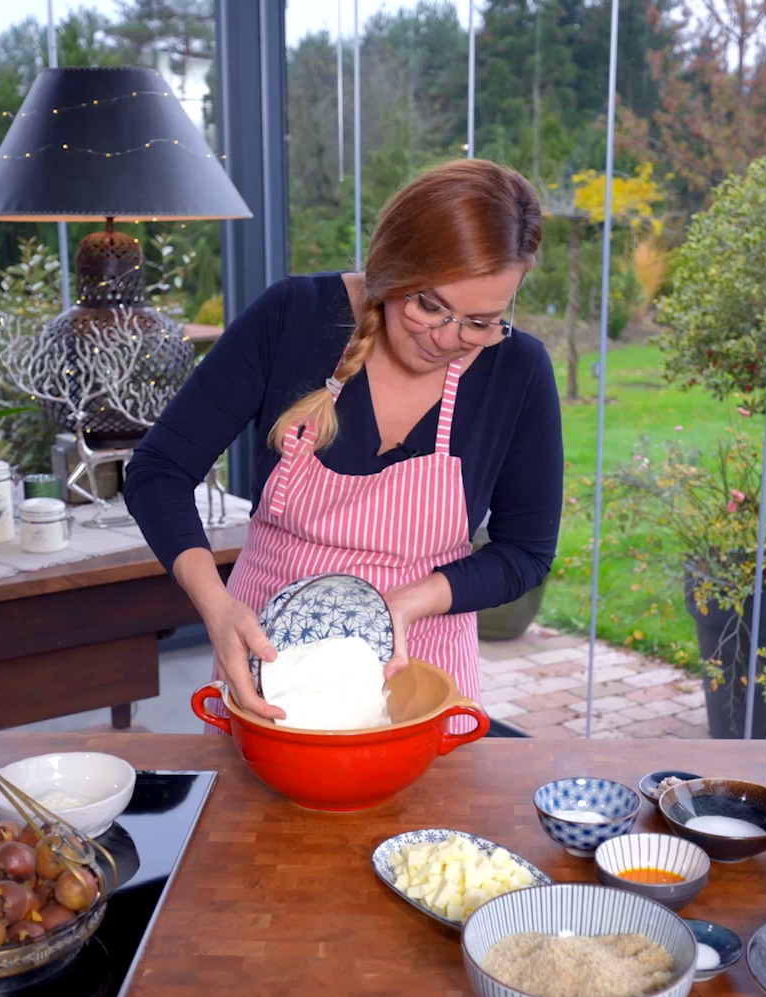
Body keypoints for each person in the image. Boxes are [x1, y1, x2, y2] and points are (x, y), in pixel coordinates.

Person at [124, 158, 560, 719]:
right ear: (391, 265)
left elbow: (525, 552)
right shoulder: (292, 318)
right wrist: (216, 606)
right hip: (267, 660)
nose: (447, 339)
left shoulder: (517, 369)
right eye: (429, 304)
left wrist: (405, 604)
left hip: (421, 667)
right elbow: (158, 470)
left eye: (479, 322)